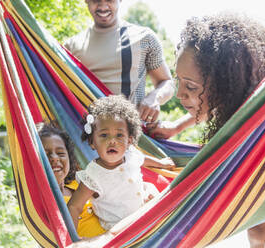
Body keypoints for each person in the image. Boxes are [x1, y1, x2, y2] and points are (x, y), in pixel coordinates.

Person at [147, 13, 265, 248]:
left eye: (191, 86)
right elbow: (211, 108)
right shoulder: (237, 101)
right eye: (179, 81)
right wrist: (176, 127)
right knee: (258, 233)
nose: (179, 94)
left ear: (226, 86)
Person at [67, 95, 175, 232]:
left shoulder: (130, 154)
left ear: (129, 140)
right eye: (104, 135)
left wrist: (161, 163)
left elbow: (142, 160)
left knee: (160, 200)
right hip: (119, 231)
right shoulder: (94, 175)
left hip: (144, 213)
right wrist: (72, 239)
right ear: (92, 142)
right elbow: (74, 206)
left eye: (119, 135)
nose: (112, 141)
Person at [64, 0, 175, 123]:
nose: (102, 6)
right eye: (96, 0)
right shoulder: (70, 46)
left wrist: (154, 98)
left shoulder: (145, 38)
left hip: (131, 134)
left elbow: (167, 82)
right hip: (84, 133)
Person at [38, 123, 106, 238]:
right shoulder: (45, 202)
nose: (55, 158)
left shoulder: (79, 182)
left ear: (69, 158)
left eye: (60, 153)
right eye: (46, 155)